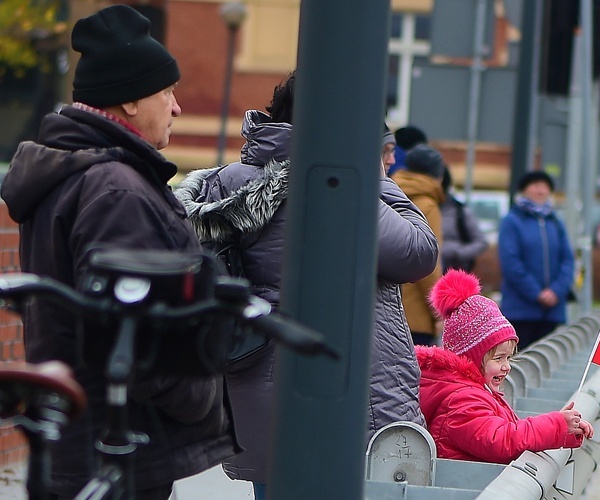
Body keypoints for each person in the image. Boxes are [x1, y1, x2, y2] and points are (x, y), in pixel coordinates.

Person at [0, 5, 238, 498]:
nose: (176, 107)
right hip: (117, 442)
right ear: (130, 101)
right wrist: (198, 394)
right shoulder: (116, 189)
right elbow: (131, 327)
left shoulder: (84, 173)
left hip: (93, 438)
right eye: (167, 91)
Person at [174, 74, 438, 499]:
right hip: (349, 388)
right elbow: (416, 252)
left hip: (256, 380)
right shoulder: (342, 182)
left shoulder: (229, 181)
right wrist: (375, 176)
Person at [415, 269, 594, 464]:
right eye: (498, 358)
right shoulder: (460, 401)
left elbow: (512, 431)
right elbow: (501, 441)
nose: (506, 367)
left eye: (508, 358)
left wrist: (566, 430)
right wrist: (557, 425)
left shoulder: (473, 392)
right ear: (470, 358)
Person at [498, 171, 575, 350]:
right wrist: (536, 293)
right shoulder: (512, 221)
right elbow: (511, 262)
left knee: (546, 362)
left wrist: (556, 291)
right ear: (524, 190)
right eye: (535, 186)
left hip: (551, 312)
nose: (541, 190)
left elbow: (568, 260)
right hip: (521, 309)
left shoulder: (555, 222)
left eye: (545, 186)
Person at [391, 144, 446, 345]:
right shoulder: (428, 206)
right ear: (438, 175)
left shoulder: (390, 194)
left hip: (387, 309)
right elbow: (428, 264)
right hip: (416, 315)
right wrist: (438, 310)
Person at [440, 166, 488, 272]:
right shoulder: (419, 206)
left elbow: (481, 242)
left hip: (452, 271)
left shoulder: (459, 210)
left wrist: (458, 253)